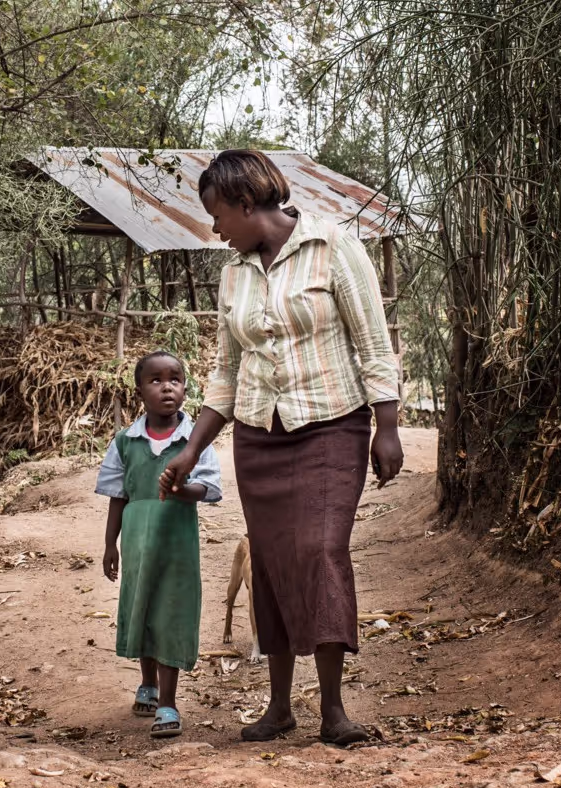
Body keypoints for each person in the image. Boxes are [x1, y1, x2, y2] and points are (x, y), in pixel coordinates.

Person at [159, 149, 402, 746]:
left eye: (218, 216)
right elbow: (226, 371)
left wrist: (387, 425)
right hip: (258, 438)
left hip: (330, 426)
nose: (215, 230)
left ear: (247, 204)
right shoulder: (234, 273)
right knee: (269, 566)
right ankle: (278, 707)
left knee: (319, 552)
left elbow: (373, 343)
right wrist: (191, 449)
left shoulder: (332, 246)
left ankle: (334, 712)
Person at [95, 350, 224, 738]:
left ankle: (168, 703)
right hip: (136, 540)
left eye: (175, 379)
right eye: (156, 380)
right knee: (143, 608)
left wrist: (182, 489)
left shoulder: (194, 442)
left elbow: (211, 488)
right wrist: (109, 546)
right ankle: (147, 683)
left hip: (176, 543)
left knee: (171, 613)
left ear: (185, 389)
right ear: (139, 391)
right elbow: (119, 495)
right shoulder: (125, 441)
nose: (167, 387)